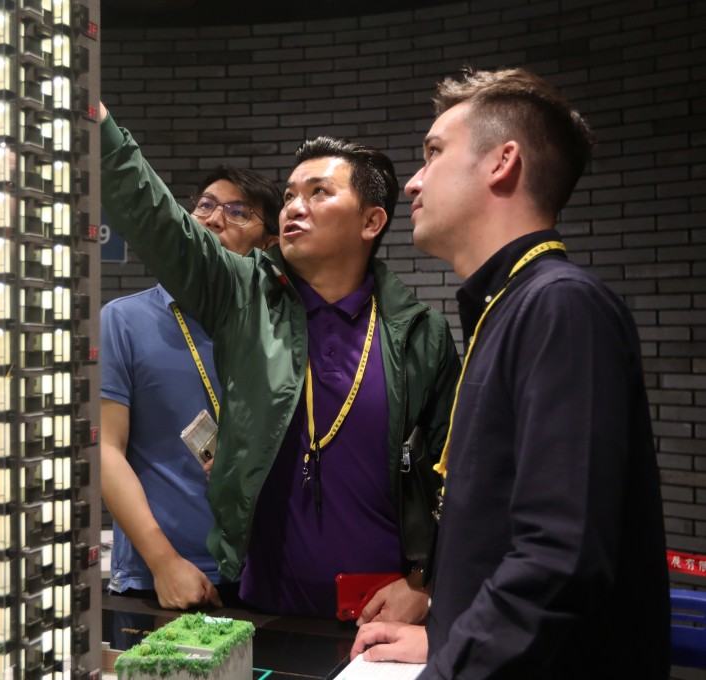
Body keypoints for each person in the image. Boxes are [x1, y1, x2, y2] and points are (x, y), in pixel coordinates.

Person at [352, 68, 670, 678]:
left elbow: (560, 560)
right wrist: (442, 632)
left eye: (433, 153)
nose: (413, 183)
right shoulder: (504, 309)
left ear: (502, 162)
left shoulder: (562, 306)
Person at [100, 103, 462, 620]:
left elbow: (454, 476)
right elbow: (155, 218)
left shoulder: (419, 334)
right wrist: (96, 119)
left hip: (379, 611)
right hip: (261, 602)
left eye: (319, 192)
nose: (295, 205)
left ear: (371, 221)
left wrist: (423, 582)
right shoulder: (245, 299)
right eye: (290, 194)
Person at [101, 164, 282, 610]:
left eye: (238, 212)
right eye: (205, 205)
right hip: (159, 579)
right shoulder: (123, 320)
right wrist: (163, 561)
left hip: (267, 576)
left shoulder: (280, 330)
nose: (214, 218)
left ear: (268, 245)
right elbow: (103, 448)